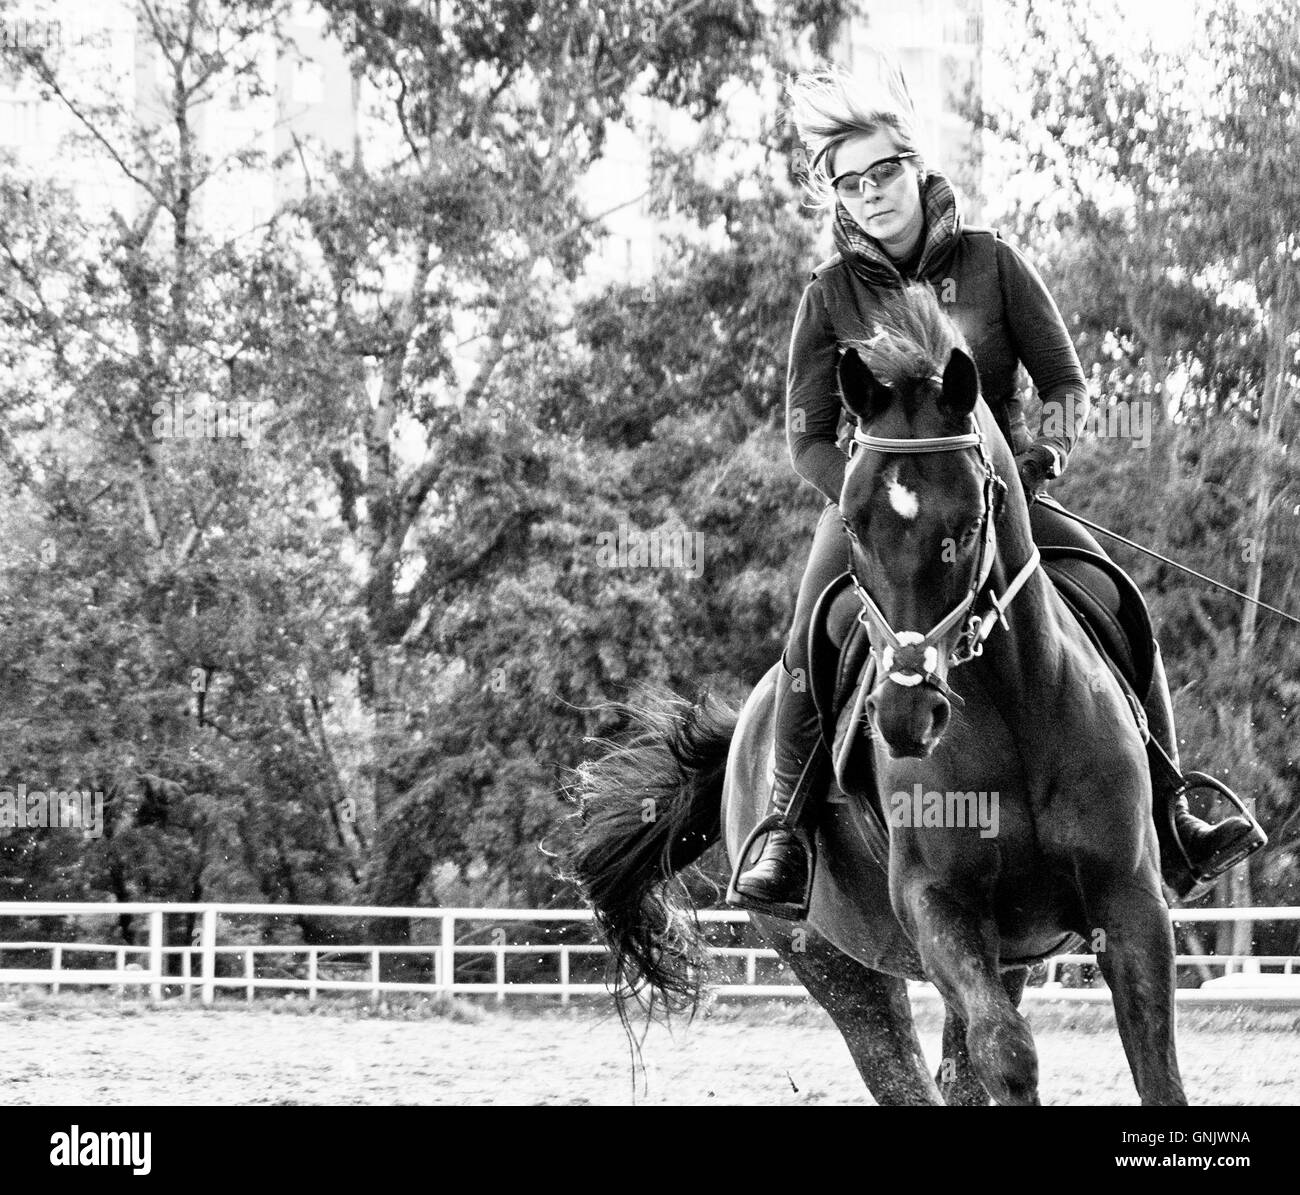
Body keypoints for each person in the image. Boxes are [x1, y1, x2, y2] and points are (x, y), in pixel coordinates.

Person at [730, 59, 1264, 917]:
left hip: (996, 500)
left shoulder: (993, 263)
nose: (869, 195)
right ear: (835, 194)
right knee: (809, 628)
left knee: (1116, 597)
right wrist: (864, 499)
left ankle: (1173, 807)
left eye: (883, 173)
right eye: (849, 182)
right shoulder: (827, 296)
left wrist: (1046, 450)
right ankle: (787, 830)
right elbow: (805, 438)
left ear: (915, 165)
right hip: (875, 511)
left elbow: (1066, 384)